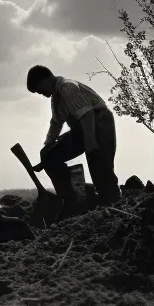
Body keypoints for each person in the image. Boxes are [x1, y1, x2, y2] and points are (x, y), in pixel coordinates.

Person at [26, 65, 120, 213]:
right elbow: (56, 123)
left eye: (39, 89)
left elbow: (87, 115)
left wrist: (90, 142)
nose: (41, 93)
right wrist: (47, 149)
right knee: (48, 155)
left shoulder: (67, 87)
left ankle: (111, 206)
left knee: (99, 165)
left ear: (45, 79)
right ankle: (72, 199)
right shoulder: (56, 97)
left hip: (99, 123)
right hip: (81, 128)